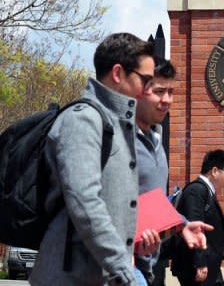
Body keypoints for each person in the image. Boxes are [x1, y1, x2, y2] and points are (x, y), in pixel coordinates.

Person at [30, 33, 158, 286]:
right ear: (118, 73)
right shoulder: (83, 119)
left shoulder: (119, 125)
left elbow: (112, 205)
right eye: (145, 79)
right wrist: (123, 270)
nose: (148, 90)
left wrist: (132, 241)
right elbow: (84, 201)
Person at [134, 57, 213, 285]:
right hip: (116, 268)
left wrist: (182, 225)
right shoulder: (115, 136)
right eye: (159, 91)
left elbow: (151, 202)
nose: (167, 100)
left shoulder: (156, 142)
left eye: (170, 92)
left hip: (143, 265)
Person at [171, 150, 224, 286]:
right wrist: (200, 263)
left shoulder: (206, 191)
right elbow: (195, 228)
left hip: (208, 266)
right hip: (197, 268)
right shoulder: (197, 191)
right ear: (214, 171)